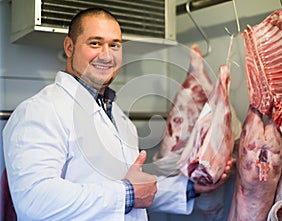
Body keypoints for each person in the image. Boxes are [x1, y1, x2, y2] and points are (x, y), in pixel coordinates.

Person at [2, 7, 234, 221]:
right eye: (95, 43)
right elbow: (34, 200)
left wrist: (190, 188)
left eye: (115, 45)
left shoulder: (119, 118)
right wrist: (127, 194)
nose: (107, 55)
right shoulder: (40, 111)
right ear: (69, 47)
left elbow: (137, 191)